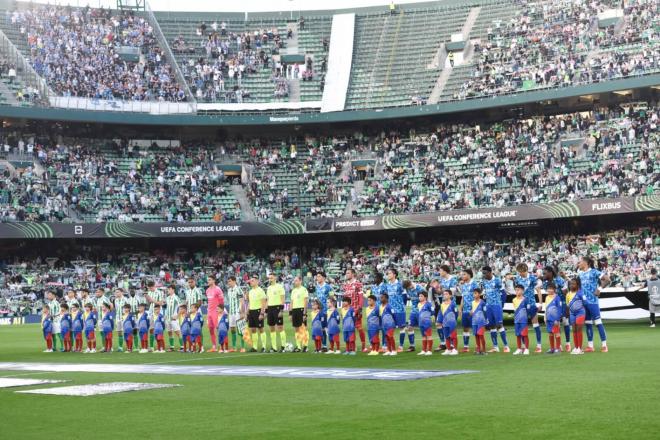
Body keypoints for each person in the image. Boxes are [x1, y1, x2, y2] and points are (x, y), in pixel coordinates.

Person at [577, 257, 610, 352]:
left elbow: (607, 279)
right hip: (584, 302)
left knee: (598, 322)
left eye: (581, 261)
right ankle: (590, 346)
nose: (579, 263)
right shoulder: (580, 273)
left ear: (586, 263)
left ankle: (604, 345)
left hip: (593, 302)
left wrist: (599, 289)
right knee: (588, 323)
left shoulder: (594, 272)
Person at [512, 263, 543, 353]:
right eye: (519, 272)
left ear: (525, 269)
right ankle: (523, 346)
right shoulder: (518, 279)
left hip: (532, 304)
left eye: (521, 272)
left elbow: (538, 290)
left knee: (535, 325)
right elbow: (517, 291)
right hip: (521, 306)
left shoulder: (532, 278)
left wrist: (540, 303)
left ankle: (539, 345)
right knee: (522, 326)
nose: (520, 274)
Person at [481, 266, 510, 353]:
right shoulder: (484, 281)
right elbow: (485, 294)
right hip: (489, 306)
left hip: (497, 305)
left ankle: (506, 346)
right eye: (483, 273)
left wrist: (501, 304)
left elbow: (503, 293)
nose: (484, 275)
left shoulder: (497, 280)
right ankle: (495, 347)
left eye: (485, 273)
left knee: (499, 325)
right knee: (491, 326)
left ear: (490, 272)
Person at [542, 266, 570, 351]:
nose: (544, 275)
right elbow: (548, 295)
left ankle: (567, 343)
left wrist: (567, 306)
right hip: (552, 306)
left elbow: (566, 293)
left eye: (545, 273)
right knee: (556, 324)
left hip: (562, 303)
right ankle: (558, 345)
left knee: (565, 323)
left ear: (550, 273)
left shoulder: (559, 280)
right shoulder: (545, 283)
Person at [342, 268, 366, 352]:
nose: (346, 274)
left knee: (359, 328)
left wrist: (359, 308)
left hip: (356, 309)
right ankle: (352, 347)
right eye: (346, 273)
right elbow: (344, 299)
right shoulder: (345, 285)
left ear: (353, 274)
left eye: (348, 273)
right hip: (347, 311)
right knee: (349, 328)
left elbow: (361, 297)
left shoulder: (358, 284)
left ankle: (363, 346)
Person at [383, 268, 406, 352]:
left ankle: (401, 346)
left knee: (401, 327)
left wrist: (401, 306)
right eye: (387, 274)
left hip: (399, 309)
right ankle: (389, 346)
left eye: (389, 273)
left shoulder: (400, 284)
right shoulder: (387, 285)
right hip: (390, 309)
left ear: (394, 275)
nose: (388, 275)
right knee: (388, 326)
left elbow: (404, 296)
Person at [458, 269, 478, 352]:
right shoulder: (463, 285)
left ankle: (478, 346)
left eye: (464, 274)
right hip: (465, 310)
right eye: (462, 274)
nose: (462, 276)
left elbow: (477, 297)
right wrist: (460, 308)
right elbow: (463, 297)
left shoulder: (474, 284)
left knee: (475, 328)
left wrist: (474, 308)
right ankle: (466, 347)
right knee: (465, 328)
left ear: (469, 275)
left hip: (473, 310)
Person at [437, 265, 457, 349]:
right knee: (439, 323)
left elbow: (453, 291)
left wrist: (444, 291)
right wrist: (436, 289)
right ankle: (443, 343)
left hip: (450, 304)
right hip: (443, 304)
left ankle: (452, 344)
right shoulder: (442, 280)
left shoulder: (453, 279)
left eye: (440, 270)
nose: (439, 272)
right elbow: (440, 292)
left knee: (450, 325)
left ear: (445, 271)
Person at [266, 273, 286, 352]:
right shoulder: (269, 288)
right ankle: (274, 347)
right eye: (269, 278)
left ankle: (283, 346)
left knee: (280, 327)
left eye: (271, 278)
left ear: (275, 278)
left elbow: (283, 299)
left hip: (277, 308)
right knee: (271, 328)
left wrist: (281, 310)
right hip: (270, 308)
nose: (270, 279)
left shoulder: (280, 287)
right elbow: (268, 300)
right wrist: (266, 311)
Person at [247, 274, 267, 353]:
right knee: (253, 329)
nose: (251, 282)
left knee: (261, 329)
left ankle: (264, 347)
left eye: (252, 281)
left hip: (258, 311)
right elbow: (249, 302)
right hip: (251, 311)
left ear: (257, 282)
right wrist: (247, 312)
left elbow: (263, 303)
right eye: (250, 281)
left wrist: (262, 313)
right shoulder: (250, 291)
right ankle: (254, 347)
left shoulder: (260, 290)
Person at [567, 278, 586, 355]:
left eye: (573, 284)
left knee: (579, 329)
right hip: (572, 314)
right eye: (570, 284)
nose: (571, 285)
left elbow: (585, 303)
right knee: (574, 330)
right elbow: (568, 305)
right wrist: (568, 314)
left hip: (580, 313)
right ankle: (576, 347)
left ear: (577, 285)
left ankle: (580, 349)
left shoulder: (581, 293)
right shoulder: (568, 294)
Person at [226, 276, 246, 352]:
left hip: (238, 312)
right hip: (231, 313)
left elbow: (242, 301)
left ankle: (243, 347)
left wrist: (242, 312)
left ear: (234, 281)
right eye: (228, 281)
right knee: (232, 329)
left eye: (230, 281)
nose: (229, 283)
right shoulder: (228, 290)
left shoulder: (238, 290)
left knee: (241, 329)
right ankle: (234, 347)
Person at [402, 280, 423, 352]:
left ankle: (426, 346)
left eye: (409, 287)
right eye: (407, 288)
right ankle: (412, 346)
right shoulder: (408, 289)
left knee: (423, 328)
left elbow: (425, 298)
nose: (409, 289)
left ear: (411, 284)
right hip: (413, 311)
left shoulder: (419, 288)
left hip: (421, 310)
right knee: (410, 327)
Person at [205, 275, 224, 352]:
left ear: (213, 280)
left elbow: (221, 301)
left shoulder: (218, 289)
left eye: (209, 280)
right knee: (211, 329)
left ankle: (222, 346)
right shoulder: (207, 290)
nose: (208, 281)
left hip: (216, 312)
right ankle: (214, 346)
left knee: (219, 329)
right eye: (208, 280)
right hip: (209, 312)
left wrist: (221, 310)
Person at [314, 271, 333, 350]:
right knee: (321, 328)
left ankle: (332, 345)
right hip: (319, 312)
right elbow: (317, 298)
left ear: (323, 277)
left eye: (319, 276)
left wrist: (331, 308)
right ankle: (324, 346)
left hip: (326, 311)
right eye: (317, 276)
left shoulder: (328, 287)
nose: (317, 278)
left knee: (327, 329)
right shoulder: (317, 287)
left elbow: (332, 298)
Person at [290, 275, 309, 352]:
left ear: (300, 281)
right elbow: (291, 302)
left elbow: (305, 301)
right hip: (294, 310)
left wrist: (304, 313)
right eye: (294, 280)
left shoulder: (304, 290)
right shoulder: (293, 291)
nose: (295, 282)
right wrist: (290, 313)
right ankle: (298, 346)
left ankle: (305, 346)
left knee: (303, 328)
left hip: (301, 310)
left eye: (296, 280)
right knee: (296, 329)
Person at [542, 284, 562, 354]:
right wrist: (545, 317)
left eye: (551, 288)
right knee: (550, 333)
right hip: (548, 319)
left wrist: (557, 319)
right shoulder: (547, 297)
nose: (549, 290)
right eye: (548, 289)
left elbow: (559, 309)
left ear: (554, 290)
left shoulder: (557, 297)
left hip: (555, 320)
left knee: (557, 333)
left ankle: (558, 348)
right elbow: (546, 308)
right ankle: (552, 348)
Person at [145, 281, 163, 352]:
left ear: (154, 286)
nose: (150, 289)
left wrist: (153, 300)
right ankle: (152, 347)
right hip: (151, 312)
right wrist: (147, 298)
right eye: (149, 288)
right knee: (151, 330)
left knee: (159, 330)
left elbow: (161, 303)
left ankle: (161, 347)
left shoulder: (159, 293)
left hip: (158, 313)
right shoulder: (149, 292)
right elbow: (149, 303)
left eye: (151, 288)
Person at [438, 290, 458, 356]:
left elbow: (456, 313)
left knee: (453, 336)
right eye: (444, 294)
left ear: (450, 295)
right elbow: (440, 313)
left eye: (446, 294)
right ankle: (448, 349)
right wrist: (439, 321)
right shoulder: (442, 304)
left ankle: (455, 349)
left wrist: (454, 320)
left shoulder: (453, 304)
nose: (445, 295)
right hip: (445, 322)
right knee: (446, 336)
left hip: (452, 322)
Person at [512, 284, 530, 355]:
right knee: (518, 335)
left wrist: (526, 317)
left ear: (522, 291)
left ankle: (526, 349)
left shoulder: (525, 300)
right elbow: (515, 310)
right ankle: (519, 348)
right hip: (516, 320)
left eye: (518, 290)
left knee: (525, 335)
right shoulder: (514, 300)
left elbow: (528, 310)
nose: (517, 291)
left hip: (523, 320)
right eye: (516, 290)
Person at [165, 284, 182, 352]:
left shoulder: (176, 298)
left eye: (169, 289)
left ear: (173, 290)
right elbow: (167, 308)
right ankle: (172, 347)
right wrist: (165, 315)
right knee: (169, 332)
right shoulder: (167, 298)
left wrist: (177, 316)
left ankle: (182, 346)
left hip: (174, 319)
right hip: (168, 319)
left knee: (178, 332)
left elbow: (181, 308)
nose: (168, 290)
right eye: (168, 289)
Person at [471, 288, 487, 355]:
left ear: (479, 294)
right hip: (474, 321)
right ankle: (478, 349)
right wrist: (471, 312)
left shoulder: (482, 302)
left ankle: (484, 350)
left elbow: (485, 312)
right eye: (473, 293)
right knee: (476, 335)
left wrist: (485, 321)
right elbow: (472, 310)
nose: (474, 295)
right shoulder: (472, 302)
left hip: (481, 321)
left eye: (476, 293)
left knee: (481, 335)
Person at [417, 290, 433, 356]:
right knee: (423, 336)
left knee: (429, 336)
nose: (420, 297)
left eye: (421, 296)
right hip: (421, 322)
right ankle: (423, 350)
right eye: (419, 296)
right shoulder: (418, 304)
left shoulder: (428, 304)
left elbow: (432, 311)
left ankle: (429, 350)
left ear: (425, 297)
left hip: (427, 322)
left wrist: (430, 317)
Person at [113, 288, 128, 352]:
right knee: (119, 332)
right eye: (116, 292)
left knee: (126, 332)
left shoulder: (125, 299)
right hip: (118, 318)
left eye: (118, 292)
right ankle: (120, 347)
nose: (117, 293)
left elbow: (128, 308)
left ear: (122, 292)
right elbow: (115, 309)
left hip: (125, 318)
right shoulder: (115, 300)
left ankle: (128, 346)